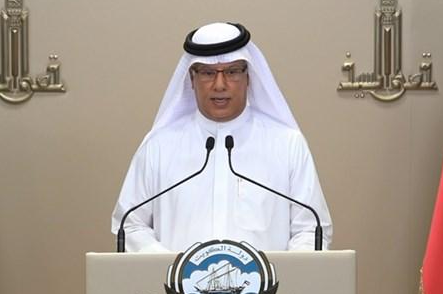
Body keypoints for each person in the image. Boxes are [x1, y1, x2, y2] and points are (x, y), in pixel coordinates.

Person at [112, 22, 332, 252]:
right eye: (208, 73)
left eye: (232, 71)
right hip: (173, 276)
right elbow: (130, 225)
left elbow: (311, 229)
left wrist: (286, 271)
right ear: (191, 78)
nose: (219, 85)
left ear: (248, 76)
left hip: (269, 277)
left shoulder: (287, 144)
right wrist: (173, 267)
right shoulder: (159, 146)